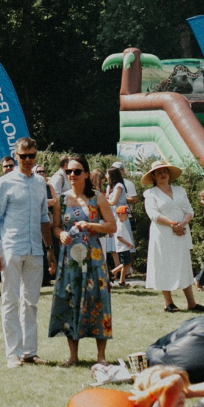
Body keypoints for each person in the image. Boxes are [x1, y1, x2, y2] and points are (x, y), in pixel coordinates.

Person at [0, 138, 55, 368]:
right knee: (10, 301)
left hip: (35, 249)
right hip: (11, 248)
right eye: (23, 156)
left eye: (32, 156)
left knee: (31, 302)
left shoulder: (39, 183)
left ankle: (29, 351)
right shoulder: (2, 183)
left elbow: (44, 218)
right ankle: (12, 354)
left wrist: (50, 250)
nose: (27, 160)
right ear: (15, 156)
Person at [50, 154, 116, 367]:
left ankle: (101, 357)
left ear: (86, 174)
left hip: (94, 257)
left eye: (77, 171)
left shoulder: (98, 197)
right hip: (69, 259)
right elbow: (56, 226)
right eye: (69, 171)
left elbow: (112, 226)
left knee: (98, 299)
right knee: (70, 301)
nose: (72, 175)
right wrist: (60, 234)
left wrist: (91, 226)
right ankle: (73, 356)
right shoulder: (61, 199)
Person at [142, 160, 204, 314]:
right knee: (163, 264)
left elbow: (189, 210)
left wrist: (182, 223)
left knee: (183, 265)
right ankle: (169, 303)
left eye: (165, 171)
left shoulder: (179, 190)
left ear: (169, 174)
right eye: (158, 172)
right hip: (163, 234)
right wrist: (172, 224)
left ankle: (191, 303)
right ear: (154, 177)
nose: (162, 174)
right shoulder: (151, 193)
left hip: (181, 232)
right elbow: (153, 214)